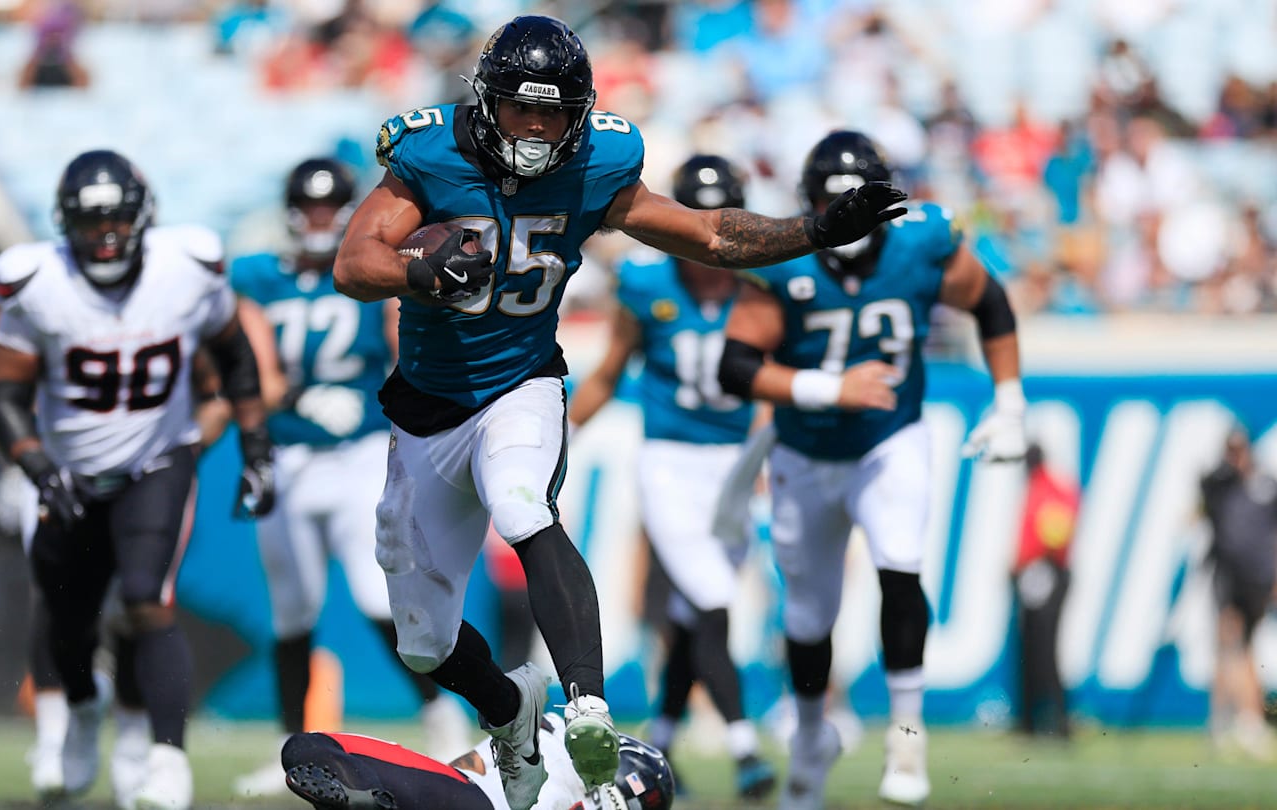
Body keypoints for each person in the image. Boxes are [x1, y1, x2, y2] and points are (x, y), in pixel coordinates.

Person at [332, 16, 905, 809]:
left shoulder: (601, 162)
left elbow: (708, 234)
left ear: (580, 111)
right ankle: (511, 713)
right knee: (424, 643)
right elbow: (353, 262)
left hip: (520, 384)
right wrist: (419, 270)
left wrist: (812, 230)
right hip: (426, 408)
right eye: (522, 108)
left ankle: (586, 709)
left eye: (555, 111)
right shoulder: (433, 153)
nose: (537, 126)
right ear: (487, 102)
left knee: (523, 504)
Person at [716, 130, 1025, 809]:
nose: (850, 218)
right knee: (807, 613)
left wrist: (1010, 401)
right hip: (805, 449)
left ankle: (907, 734)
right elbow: (734, 367)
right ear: (811, 207)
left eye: (860, 203)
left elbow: (991, 302)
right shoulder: (785, 263)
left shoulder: (922, 242)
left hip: (891, 436)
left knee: (901, 563)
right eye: (836, 204)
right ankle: (808, 736)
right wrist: (829, 389)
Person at [0, 149, 276, 810]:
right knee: (67, 619)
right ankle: (85, 715)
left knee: (147, 597)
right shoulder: (38, 283)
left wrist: (256, 448)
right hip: (69, 472)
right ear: (65, 225)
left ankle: (168, 757)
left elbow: (234, 356)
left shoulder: (186, 270)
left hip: (157, 459)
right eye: (90, 223)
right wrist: (36, 465)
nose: (105, 234)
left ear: (143, 218)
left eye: (117, 219)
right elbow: (1, 393)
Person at [0, 309, 232, 806]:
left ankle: (140, 749)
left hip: (146, 477)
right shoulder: (41, 297)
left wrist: (177, 456)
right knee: (57, 600)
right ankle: (65, 723)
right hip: (60, 472)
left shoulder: (170, 294)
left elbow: (221, 391)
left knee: (141, 603)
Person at [228, 157, 470, 797]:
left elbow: (404, 349)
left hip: (359, 452)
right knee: (292, 612)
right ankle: (291, 753)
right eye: (308, 208)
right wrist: (291, 400)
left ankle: (443, 715)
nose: (317, 219)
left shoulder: (362, 274)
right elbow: (242, 357)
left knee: (377, 594)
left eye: (327, 207)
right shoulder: (255, 279)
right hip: (287, 457)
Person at [568, 154, 775, 800]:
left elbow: (775, 378)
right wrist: (557, 434)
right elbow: (608, 372)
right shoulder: (645, 284)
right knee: (712, 599)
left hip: (737, 464)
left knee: (693, 612)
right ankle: (745, 748)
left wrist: (770, 447)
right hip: (669, 460)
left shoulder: (763, 287)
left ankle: (661, 736)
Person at [280, 714, 674, 810]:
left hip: (448, 790)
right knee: (305, 749)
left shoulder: (554, 741)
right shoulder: (555, 745)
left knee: (307, 749)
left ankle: (372, 798)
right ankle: (371, 799)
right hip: (450, 790)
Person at [1199, 427, 1277, 760]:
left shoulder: (1265, 487)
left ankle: (1247, 718)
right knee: (1228, 643)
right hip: (1228, 576)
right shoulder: (1222, 485)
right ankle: (1226, 720)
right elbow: (1207, 491)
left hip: (1256, 578)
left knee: (1239, 646)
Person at [1012, 442, 1079, 739]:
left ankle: (1056, 722)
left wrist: (1030, 558)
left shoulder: (1048, 488)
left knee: (1045, 652)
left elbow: (1055, 533)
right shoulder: (1044, 487)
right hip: (1035, 573)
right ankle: (1032, 722)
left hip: (1046, 573)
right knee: (1032, 652)